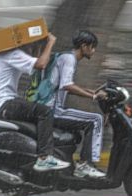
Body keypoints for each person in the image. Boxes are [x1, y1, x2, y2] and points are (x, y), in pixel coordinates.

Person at [0, 33, 70, 172]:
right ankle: (44, 158)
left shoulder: (8, 54)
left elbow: (37, 62)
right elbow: (41, 64)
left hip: (2, 103)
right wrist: (50, 43)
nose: (33, 48)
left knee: (35, 109)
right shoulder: (13, 53)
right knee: (44, 112)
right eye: (32, 44)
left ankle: (36, 154)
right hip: (3, 104)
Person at [46, 30, 107, 178]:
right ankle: (85, 165)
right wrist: (93, 96)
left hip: (49, 108)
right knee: (96, 119)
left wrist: (91, 91)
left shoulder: (64, 57)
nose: (94, 50)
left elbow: (66, 86)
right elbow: (67, 85)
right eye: (92, 47)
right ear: (84, 46)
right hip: (54, 110)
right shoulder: (69, 59)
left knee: (89, 120)